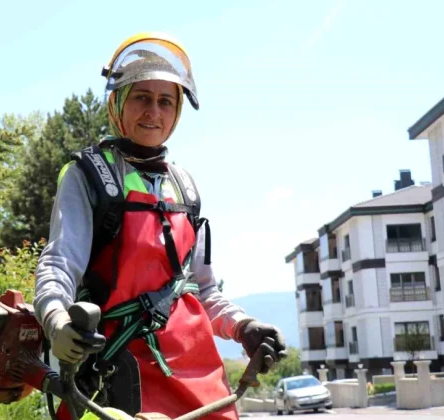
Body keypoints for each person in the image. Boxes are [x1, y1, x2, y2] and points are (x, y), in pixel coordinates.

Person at [33, 32, 287, 419]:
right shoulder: (87, 175)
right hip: (116, 378)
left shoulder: (184, 186)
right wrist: (56, 320)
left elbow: (201, 291)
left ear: (177, 111)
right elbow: (59, 264)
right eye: (142, 97)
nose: (154, 111)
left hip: (202, 382)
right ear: (117, 102)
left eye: (165, 101)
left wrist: (243, 327)